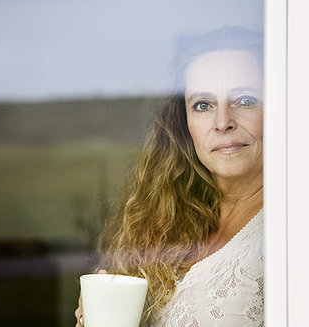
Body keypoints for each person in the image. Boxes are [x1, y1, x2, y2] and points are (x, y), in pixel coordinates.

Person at [75, 26, 264, 327]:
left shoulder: (291, 227)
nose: (223, 122)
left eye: (245, 100)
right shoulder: (174, 213)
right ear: (184, 122)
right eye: (203, 105)